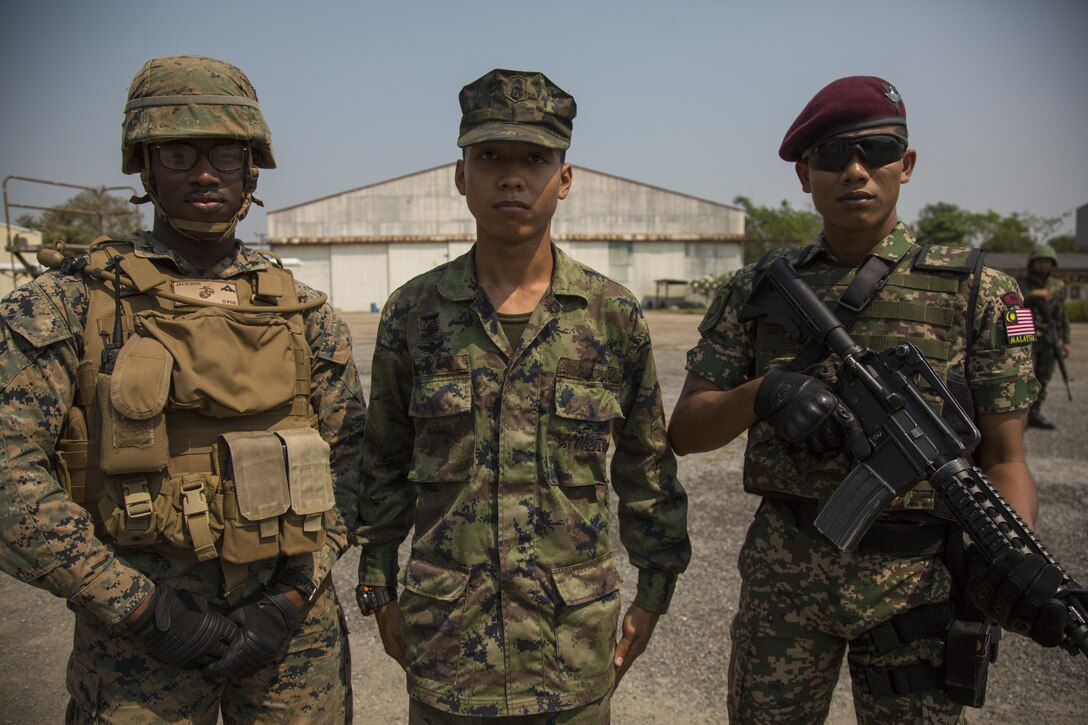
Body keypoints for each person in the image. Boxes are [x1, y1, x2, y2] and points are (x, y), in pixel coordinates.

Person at [669, 76, 1055, 723]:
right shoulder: (756, 290)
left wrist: (1007, 557)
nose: (855, 171)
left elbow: (1007, 458)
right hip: (785, 577)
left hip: (921, 586)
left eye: (876, 151)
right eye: (832, 155)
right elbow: (685, 430)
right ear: (804, 173)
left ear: (905, 166)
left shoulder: (981, 294)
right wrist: (764, 393)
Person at [0, 55, 366, 722]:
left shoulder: (307, 316)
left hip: (291, 647)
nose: (204, 173)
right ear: (145, 166)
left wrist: (290, 597)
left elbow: (356, 466)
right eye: (178, 154)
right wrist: (141, 608)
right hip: (138, 655)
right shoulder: (64, 307)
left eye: (225, 155)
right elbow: (9, 476)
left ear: (251, 167)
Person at [354, 68, 690, 723]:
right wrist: (376, 577)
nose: (512, 177)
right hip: (450, 644)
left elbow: (647, 465)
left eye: (534, 159)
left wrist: (656, 587)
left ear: (564, 179)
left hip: (570, 649)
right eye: (490, 158)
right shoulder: (414, 313)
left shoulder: (611, 315)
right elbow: (383, 458)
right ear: (461, 176)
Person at [1017, 245, 1071, 429]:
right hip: (1026, 337)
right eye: (1039, 261)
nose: (1043, 265)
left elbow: (1062, 315)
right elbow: (1013, 302)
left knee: (1044, 377)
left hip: (1049, 337)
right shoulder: (1021, 283)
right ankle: (1019, 416)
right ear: (1032, 263)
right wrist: (1032, 295)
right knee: (1023, 377)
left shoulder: (1057, 285)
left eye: (1047, 262)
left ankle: (1035, 413)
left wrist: (1066, 341)